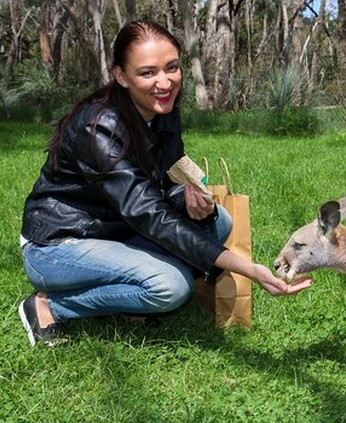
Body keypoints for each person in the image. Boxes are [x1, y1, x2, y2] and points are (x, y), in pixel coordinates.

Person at [18, 19, 311, 346]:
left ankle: (129, 297)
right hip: (60, 244)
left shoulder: (163, 109)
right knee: (170, 287)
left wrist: (184, 195)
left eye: (171, 67)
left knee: (219, 222)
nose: (164, 82)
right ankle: (49, 305)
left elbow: (162, 177)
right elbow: (146, 212)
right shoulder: (97, 127)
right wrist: (248, 269)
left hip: (118, 228)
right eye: (147, 73)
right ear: (121, 76)